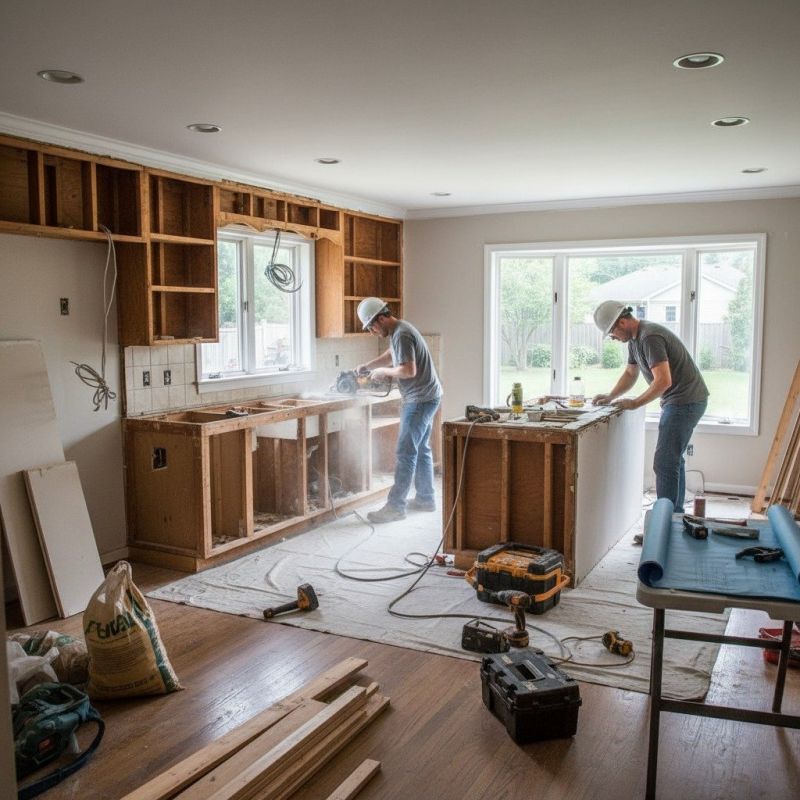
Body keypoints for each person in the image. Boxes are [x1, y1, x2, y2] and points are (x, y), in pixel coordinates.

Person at [592, 300, 708, 514]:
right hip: (681, 400)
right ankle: (675, 517)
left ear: (623, 322)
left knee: (664, 462)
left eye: (612, 333)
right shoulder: (634, 341)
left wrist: (635, 403)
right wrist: (610, 396)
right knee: (673, 460)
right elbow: (630, 374)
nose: (613, 338)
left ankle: (665, 521)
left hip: (685, 401)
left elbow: (663, 381)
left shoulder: (649, 337)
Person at [355, 297, 442, 523]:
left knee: (406, 453)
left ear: (382, 318)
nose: (373, 331)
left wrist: (384, 372)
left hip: (420, 399)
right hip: (429, 396)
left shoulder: (401, 333)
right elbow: (392, 355)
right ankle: (425, 498)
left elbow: (408, 370)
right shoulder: (398, 331)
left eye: (372, 326)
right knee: (421, 449)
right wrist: (369, 366)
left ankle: (395, 507)